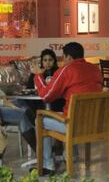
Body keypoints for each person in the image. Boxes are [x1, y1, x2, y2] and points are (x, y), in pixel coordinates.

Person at [33, 42, 103, 175]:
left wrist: (38, 76)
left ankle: (48, 164)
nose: (63, 61)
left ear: (69, 57)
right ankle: (71, 156)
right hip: (93, 125)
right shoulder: (96, 70)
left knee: (40, 120)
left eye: (63, 57)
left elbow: (47, 96)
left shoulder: (67, 69)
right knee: (72, 113)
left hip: (73, 126)